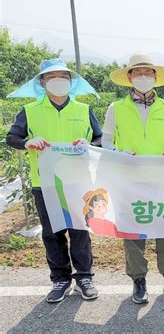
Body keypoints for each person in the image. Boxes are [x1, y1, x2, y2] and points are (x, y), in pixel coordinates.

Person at [6, 58, 102, 303]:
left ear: (71, 82)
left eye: (63, 77)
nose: (58, 81)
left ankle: (84, 277)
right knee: (52, 232)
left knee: (80, 230)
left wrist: (89, 144)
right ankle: (60, 279)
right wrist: (27, 142)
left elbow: (101, 139)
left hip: (79, 182)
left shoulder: (83, 110)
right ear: (42, 82)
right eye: (52, 77)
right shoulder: (30, 111)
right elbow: (12, 137)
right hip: (45, 183)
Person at [103, 53, 164, 304]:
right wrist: (118, 153)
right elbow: (106, 140)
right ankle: (138, 279)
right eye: (137, 73)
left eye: (147, 73)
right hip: (129, 180)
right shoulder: (116, 108)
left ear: (155, 77)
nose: (143, 77)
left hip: (162, 179)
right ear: (129, 77)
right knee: (132, 230)